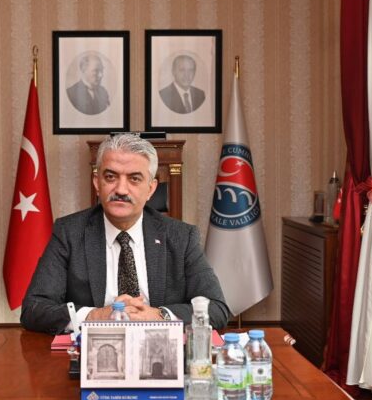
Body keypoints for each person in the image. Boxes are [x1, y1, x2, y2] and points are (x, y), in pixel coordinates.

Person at [21, 133, 231, 334]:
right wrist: (96, 316)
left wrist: (158, 316)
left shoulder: (181, 237)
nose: (121, 189)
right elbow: (34, 309)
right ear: (97, 183)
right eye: (110, 177)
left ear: (151, 189)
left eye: (134, 179)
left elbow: (217, 309)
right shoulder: (69, 232)